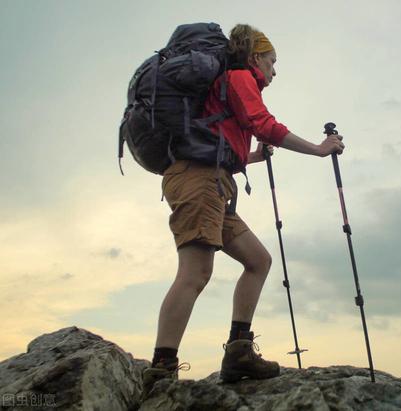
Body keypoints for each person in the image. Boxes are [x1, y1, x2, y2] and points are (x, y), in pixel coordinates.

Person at [142, 24, 345, 396]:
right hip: (199, 182)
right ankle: (160, 370)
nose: (274, 70)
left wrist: (249, 156)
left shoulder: (225, 85)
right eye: (271, 61)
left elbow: (218, 140)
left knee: (258, 260)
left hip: (213, 182)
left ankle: (238, 353)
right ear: (255, 57)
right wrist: (318, 149)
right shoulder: (239, 76)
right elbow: (262, 123)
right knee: (196, 272)